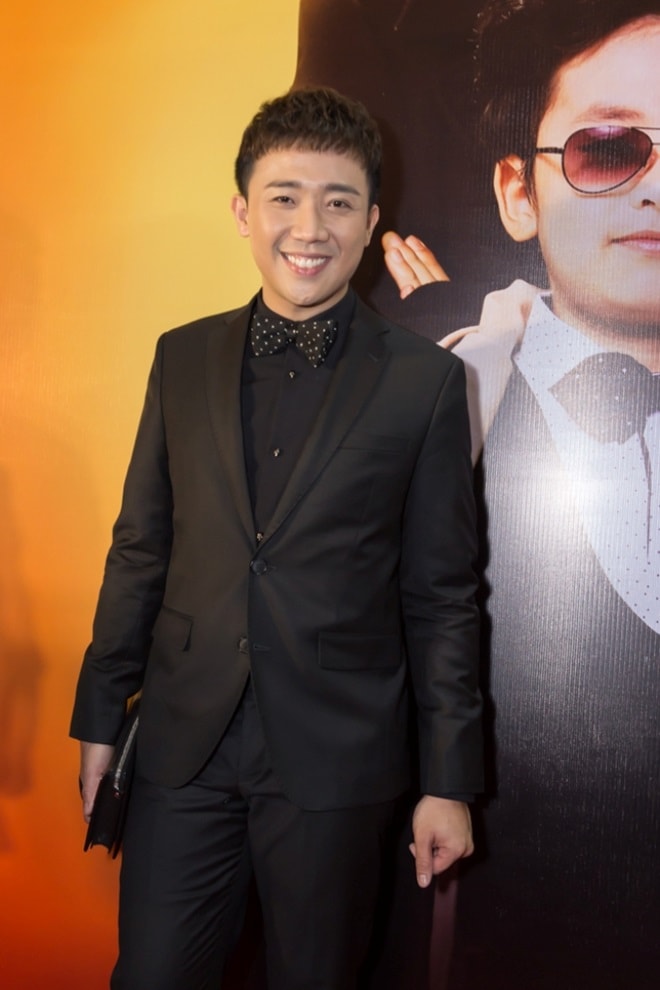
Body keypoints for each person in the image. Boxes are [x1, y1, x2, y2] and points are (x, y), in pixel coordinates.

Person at [70, 86, 483, 990]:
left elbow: (443, 596)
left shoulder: (425, 382)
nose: (309, 227)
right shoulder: (181, 356)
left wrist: (448, 779)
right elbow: (140, 547)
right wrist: (100, 716)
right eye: (284, 198)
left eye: (338, 202)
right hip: (184, 743)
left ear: (370, 221)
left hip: (338, 757)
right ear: (242, 213)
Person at [384, 2, 660, 987]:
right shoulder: (440, 411)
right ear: (518, 192)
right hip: (500, 927)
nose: (656, 186)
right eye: (608, 149)